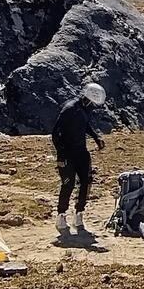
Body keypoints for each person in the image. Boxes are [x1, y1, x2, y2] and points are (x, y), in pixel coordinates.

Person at [52, 81, 108, 241]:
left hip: (81, 152)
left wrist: (96, 138)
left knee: (86, 182)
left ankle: (79, 214)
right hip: (68, 154)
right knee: (68, 184)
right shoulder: (69, 109)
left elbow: (85, 125)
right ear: (89, 99)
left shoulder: (85, 109)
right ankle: (61, 215)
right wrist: (61, 154)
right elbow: (55, 132)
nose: (94, 107)